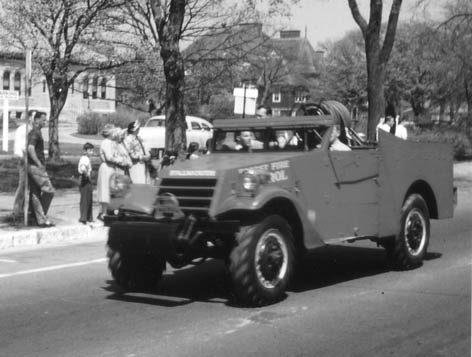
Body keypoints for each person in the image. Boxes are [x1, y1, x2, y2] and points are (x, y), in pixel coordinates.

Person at [27, 112, 55, 227]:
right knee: (49, 190)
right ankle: (41, 217)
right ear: (36, 120)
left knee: (35, 193)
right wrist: (39, 163)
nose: (45, 122)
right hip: (35, 167)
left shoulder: (34, 132)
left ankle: (37, 219)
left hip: (31, 166)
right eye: (43, 120)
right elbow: (30, 148)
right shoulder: (35, 133)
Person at [96, 124, 127, 220]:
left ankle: (109, 210)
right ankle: (103, 212)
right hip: (106, 167)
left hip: (111, 168)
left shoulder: (110, 142)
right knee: (105, 189)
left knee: (111, 189)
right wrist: (120, 160)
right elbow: (109, 157)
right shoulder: (106, 142)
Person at [12, 111, 33, 218]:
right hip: (23, 160)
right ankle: (16, 210)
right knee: (23, 184)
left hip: (31, 161)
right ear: (29, 118)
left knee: (31, 185)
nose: (34, 119)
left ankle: (27, 209)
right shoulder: (22, 130)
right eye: (33, 117)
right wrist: (23, 158)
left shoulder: (33, 130)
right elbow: (19, 147)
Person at [78, 142, 95, 224]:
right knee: (85, 199)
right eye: (90, 151)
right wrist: (86, 174)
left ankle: (88, 217)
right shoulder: (84, 159)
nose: (92, 152)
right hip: (84, 179)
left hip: (87, 180)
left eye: (92, 151)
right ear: (85, 151)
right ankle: (83, 217)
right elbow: (83, 167)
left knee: (89, 198)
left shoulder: (87, 158)